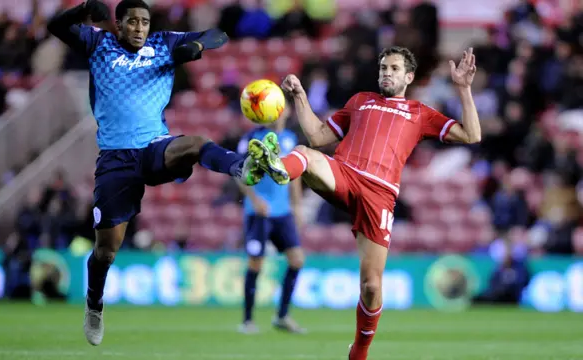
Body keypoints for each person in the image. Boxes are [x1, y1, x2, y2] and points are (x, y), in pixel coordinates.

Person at [46, 0, 286, 346]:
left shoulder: (164, 43)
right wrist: (82, 10)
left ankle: (241, 166)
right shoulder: (99, 43)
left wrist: (196, 46)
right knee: (106, 251)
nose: (140, 28)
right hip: (115, 159)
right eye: (132, 22)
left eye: (144, 22)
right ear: (120, 24)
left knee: (194, 143)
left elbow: (219, 33)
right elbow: (56, 27)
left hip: (154, 147)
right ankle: (94, 304)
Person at [249, 46, 481, 359]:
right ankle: (278, 167)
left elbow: (471, 135)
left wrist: (464, 89)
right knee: (306, 152)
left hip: (380, 195)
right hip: (344, 174)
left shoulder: (419, 112)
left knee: (371, 285)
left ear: (409, 76)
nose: (387, 72)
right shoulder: (360, 101)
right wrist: (300, 95)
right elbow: (318, 136)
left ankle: (359, 351)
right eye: (384, 67)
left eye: (395, 68)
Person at [235, 106, 306, 334]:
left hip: (282, 211)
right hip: (259, 212)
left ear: (285, 113)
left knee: (297, 260)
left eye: (281, 109)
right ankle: (247, 320)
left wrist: (297, 207)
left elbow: (294, 176)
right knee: (256, 263)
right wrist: (255, 200)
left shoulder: (291, 138)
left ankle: (282, 316)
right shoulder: (252, 138)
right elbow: (238, 172)